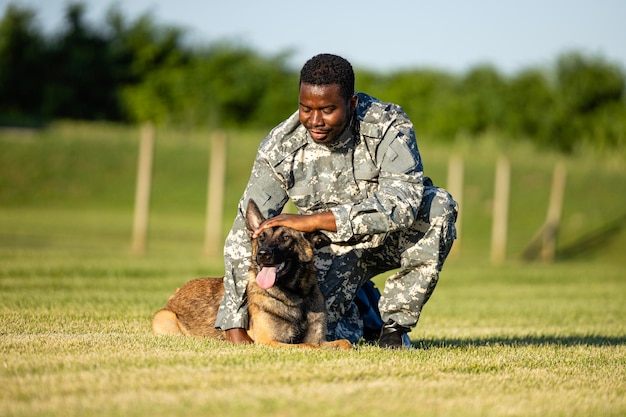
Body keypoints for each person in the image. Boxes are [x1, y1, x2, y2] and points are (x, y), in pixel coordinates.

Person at [215, 53, 458, 349]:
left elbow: (403, 204)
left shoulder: (387, 125)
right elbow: (246, 231)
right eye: (306, 109)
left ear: (352, 104)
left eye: (328, 109)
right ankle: (364, 303)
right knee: (319, 336)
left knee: (438, 206)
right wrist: (233, 320)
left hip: (388, 239)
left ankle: (393, 329)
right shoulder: (280, 147)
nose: (315, 120)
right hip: (331, 252)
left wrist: (313, 220)